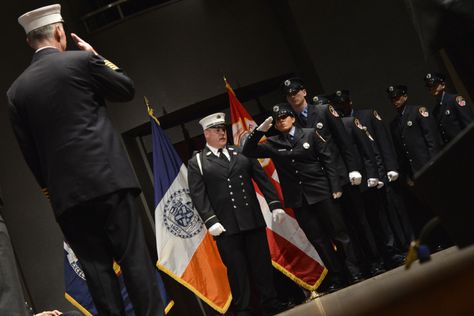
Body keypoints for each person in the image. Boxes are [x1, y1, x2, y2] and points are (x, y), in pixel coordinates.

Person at [7, 4, 163, 315]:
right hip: (110, 181)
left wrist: (53, 193)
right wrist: (96, 57)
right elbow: (125, 89)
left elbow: (30, 154)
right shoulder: (81, 62)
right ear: (60, 32)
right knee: (134, 261)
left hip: (67, 198)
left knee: (97, 275)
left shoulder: (16, 91)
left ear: (29, 42)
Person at [242, 104, 364, 292]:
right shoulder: (273, 143)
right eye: (277, 119)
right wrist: (259, 131)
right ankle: (338, 276)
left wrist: (335, 186)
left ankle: (354, 271)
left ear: (292, 118)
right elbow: (248, 151)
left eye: (284, 117)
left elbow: (328, 159)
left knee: (340, 234)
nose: (281, 121)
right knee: (319, 240)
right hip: (299, 199)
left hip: (322, 192)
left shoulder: (309, 133)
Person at [187, 113, 288, 316]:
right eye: (216, 130)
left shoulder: (241, 152)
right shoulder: (198, 162)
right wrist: (210, 221)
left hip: (251, 219)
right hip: (225, 227)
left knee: (262, 265)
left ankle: (270, 302)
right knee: (237, 270)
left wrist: (275, 204)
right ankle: (244, 309)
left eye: (223, 129)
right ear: (206, 134)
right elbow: (198, 196)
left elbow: (262, 179)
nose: (222, 133)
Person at [330, 89, 412, 256]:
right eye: (339, 104)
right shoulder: (341, 124)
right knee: (380, 216)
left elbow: (382, 142)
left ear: (350, 101)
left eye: (345, 102)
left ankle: (409, 243)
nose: (343, 106)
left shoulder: (367, 115)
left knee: (396, 210)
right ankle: (394, 249)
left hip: (383, 171)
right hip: (367, 176)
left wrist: (390, 167)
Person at [387, 84, 443, 237]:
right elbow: (401, 153)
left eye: (398, 97)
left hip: (428, 167)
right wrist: (406, 176)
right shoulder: (394, 124)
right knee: (427, 208)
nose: (395, 101)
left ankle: (450, 235)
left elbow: (432, 141)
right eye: (392, 99)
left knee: (441, 203)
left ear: (405, 96)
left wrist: (434, 164)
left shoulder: (418, 112)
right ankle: (438, 238)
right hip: (414, 173)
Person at [424, 72, 474, 145]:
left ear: (443, 85)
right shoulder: (435, 111)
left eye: (434, 85)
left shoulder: (455, 100)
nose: (431, 88)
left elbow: (469, 124)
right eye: (429, 86)